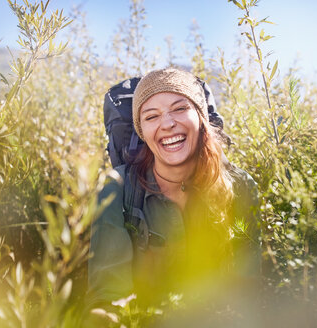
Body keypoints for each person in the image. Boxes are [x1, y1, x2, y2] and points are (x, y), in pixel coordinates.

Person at [87, 68, 260, 310]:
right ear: (142, 133)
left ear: (201, 118)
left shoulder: (240, 186)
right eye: (151, 117)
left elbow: (249, 286)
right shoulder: (116, 189)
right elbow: (109, 298)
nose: (167, 124)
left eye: (180, 109)